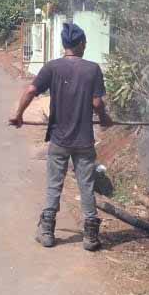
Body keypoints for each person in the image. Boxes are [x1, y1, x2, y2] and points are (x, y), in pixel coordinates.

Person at [9, 23, 113, 252]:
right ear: (81, 44)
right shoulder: (92, 69)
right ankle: (90, 237)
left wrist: (18, 115)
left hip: (59, 140)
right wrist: (105, 118)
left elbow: (30, 91)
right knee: (86, 185)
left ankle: (47, 232)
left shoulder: (52, 67)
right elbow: (97, 103)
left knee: (54, 185)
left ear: (64, 44)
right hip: (84, 141)